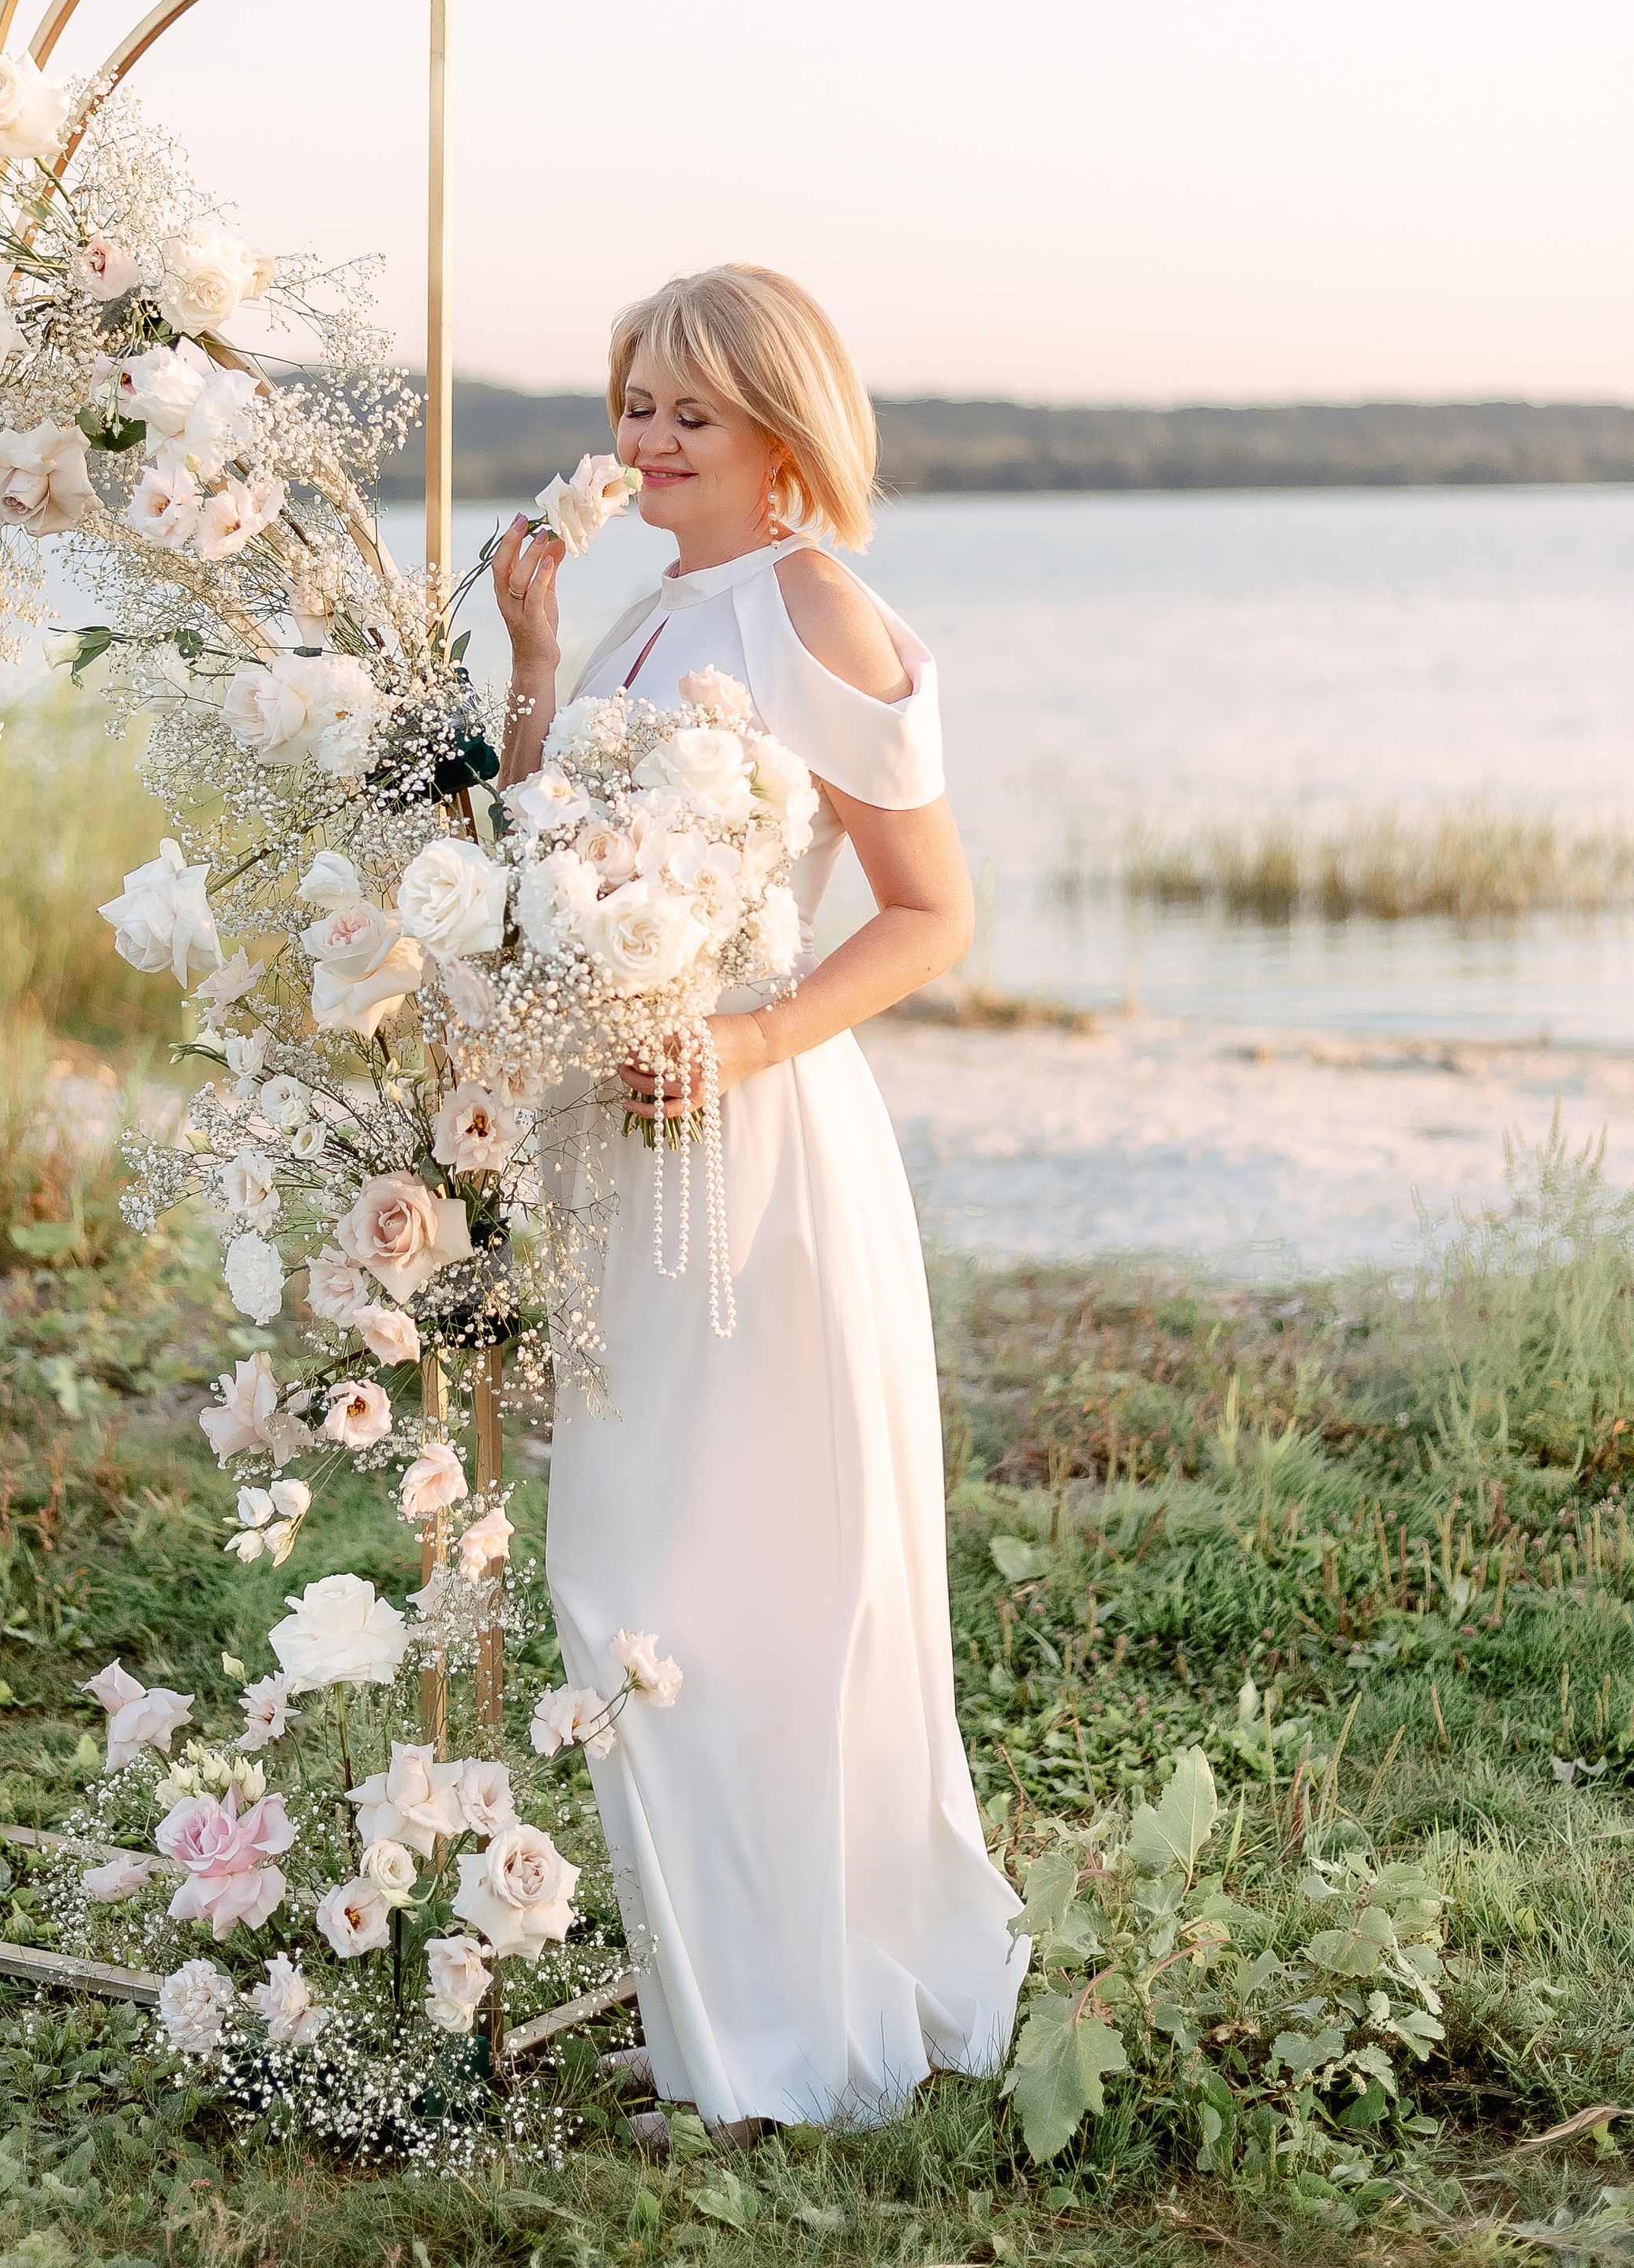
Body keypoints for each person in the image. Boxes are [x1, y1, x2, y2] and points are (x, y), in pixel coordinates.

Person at [491, 262, 1025, 2134]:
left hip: (758, 1153)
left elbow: (932, 912)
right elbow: (540, 869)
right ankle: (732, 2005)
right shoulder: (652, 610)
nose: (643, 438)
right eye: (631, 401)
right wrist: (537, 667)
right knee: (636, 1585)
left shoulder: (815, 605)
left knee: (735, 1586)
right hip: (621, 1150)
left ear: (780, 426)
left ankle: (787, 2041)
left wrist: (745, 1042)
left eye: (687, 412)